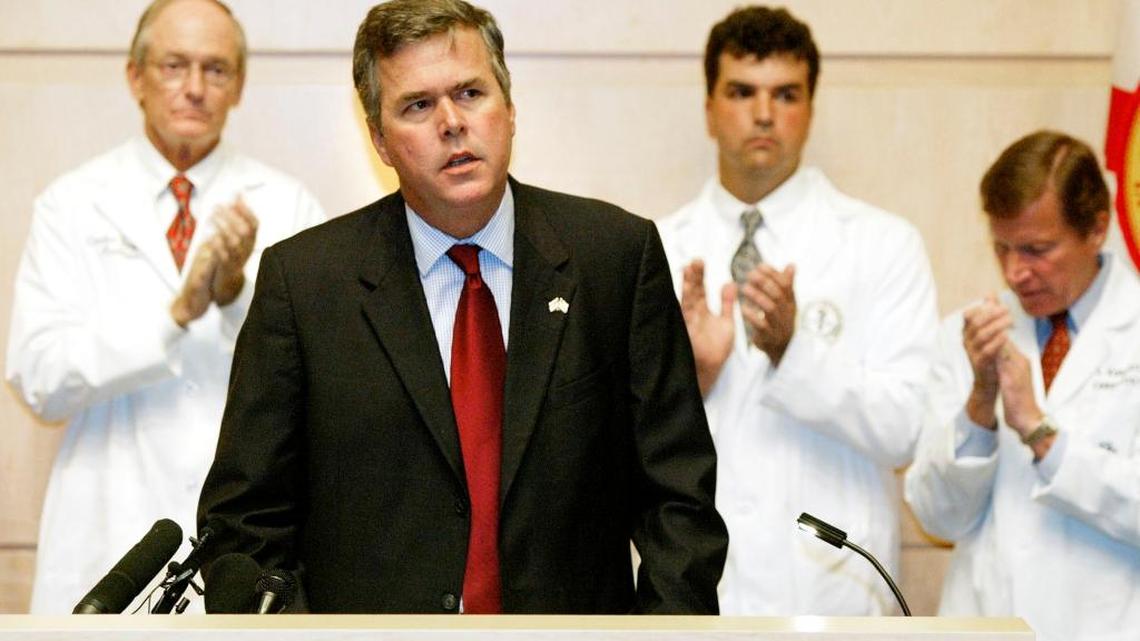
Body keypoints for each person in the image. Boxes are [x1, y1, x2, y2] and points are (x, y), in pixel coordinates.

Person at [196, 0, 727, 615]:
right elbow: (243, 522)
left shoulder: (613, 258)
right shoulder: (307, 284)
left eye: (471, 92)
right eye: (418, 106)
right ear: (380, 141)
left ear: (509, 106)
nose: (452, 122)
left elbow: (679, 499)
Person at [5, 0, 325, 613]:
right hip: (105, 535)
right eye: (175, 65)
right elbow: (39, 378)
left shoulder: (288, 207)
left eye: (216, 69)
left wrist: (234, 297)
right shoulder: (71, 205)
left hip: (247, 546)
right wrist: (173, 314)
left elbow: (317, 386)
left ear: (239, 86)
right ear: (135, 77)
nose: (195, 88)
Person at [656, 6, 938, 615]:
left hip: (836, 594)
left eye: (786, 94)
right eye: (741, 92)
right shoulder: (653, 248)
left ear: (811, 107)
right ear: (708, 107)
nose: (763, 114)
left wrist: (793, 349)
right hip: (694, 591)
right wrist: (690, 380)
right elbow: (606, 450)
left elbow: (905, 430)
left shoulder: (883, 244)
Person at [905, 131, 1140, 641]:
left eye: (1037, 249)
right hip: (987, 624)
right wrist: (979, 406)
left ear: (1097, 230)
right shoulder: (967, 335)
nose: (1015, 273)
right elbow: (937, 517)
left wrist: (1042, 435)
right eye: (1002, 248)